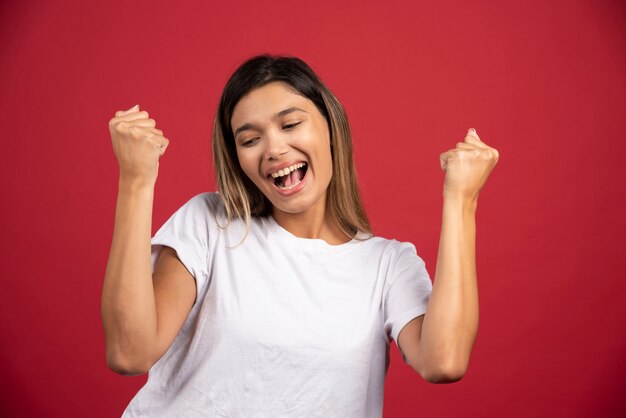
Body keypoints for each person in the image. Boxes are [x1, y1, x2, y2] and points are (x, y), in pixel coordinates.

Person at [101, 55, 499, 417]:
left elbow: (443, 361)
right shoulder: (210, 224)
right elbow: (129, 352)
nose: (274, 148)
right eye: (250, 139)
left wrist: (461, 200)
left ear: (330, 127)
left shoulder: (387, 266)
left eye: (290, 124)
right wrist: (136, 181)